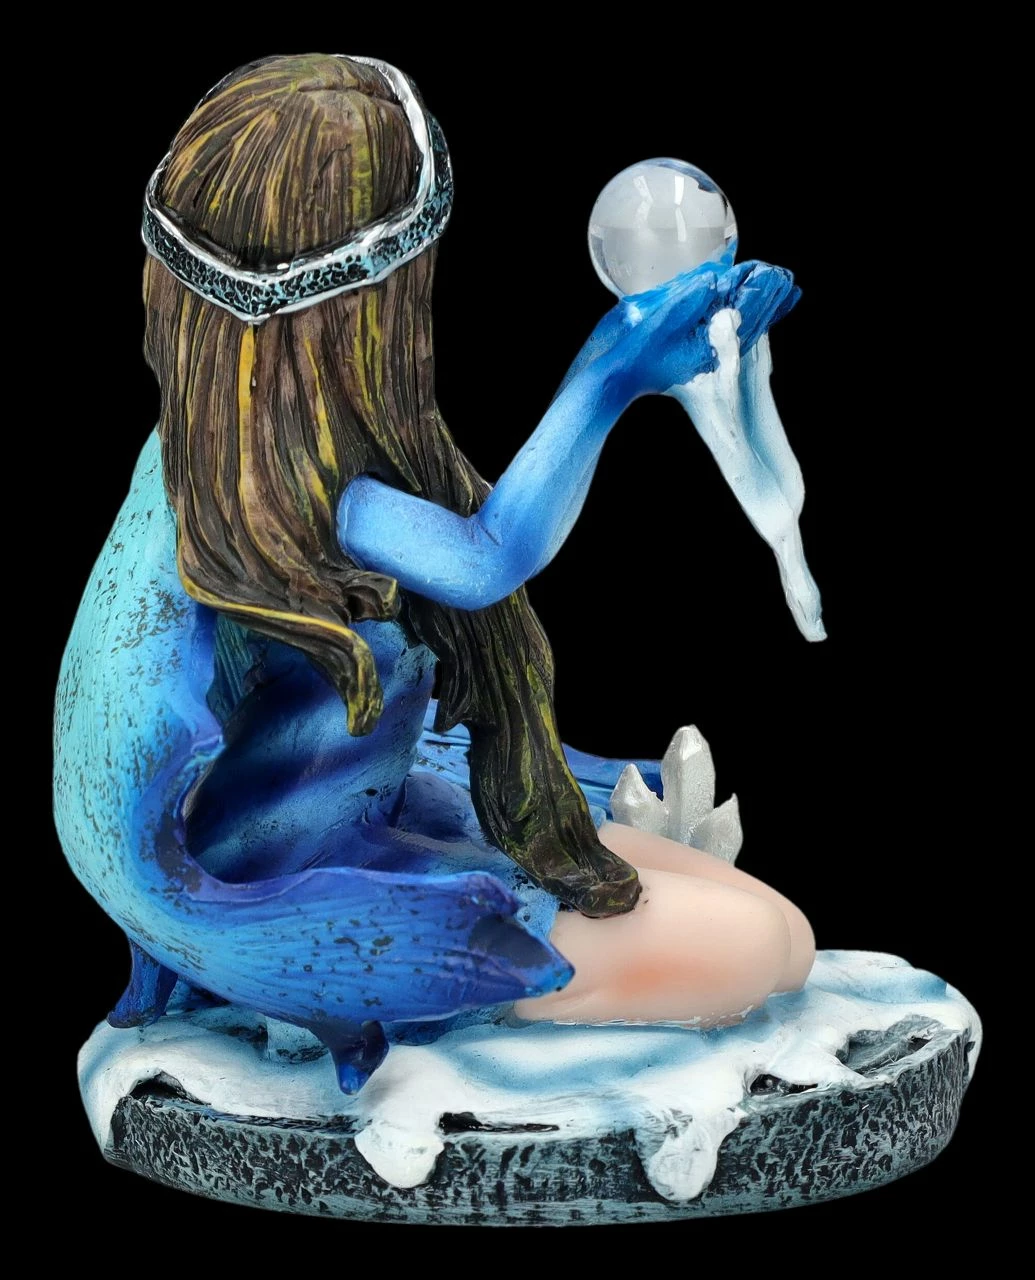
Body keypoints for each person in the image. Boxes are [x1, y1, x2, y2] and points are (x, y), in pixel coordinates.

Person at [54, 54, 815, 1091]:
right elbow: (486, 557)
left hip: (346, 803)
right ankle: (412, 988)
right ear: (358, 317)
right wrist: (608, 376)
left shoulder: (206, 459)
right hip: (292, 876)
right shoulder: (297, 491)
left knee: (745, 908)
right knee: (768, 945)